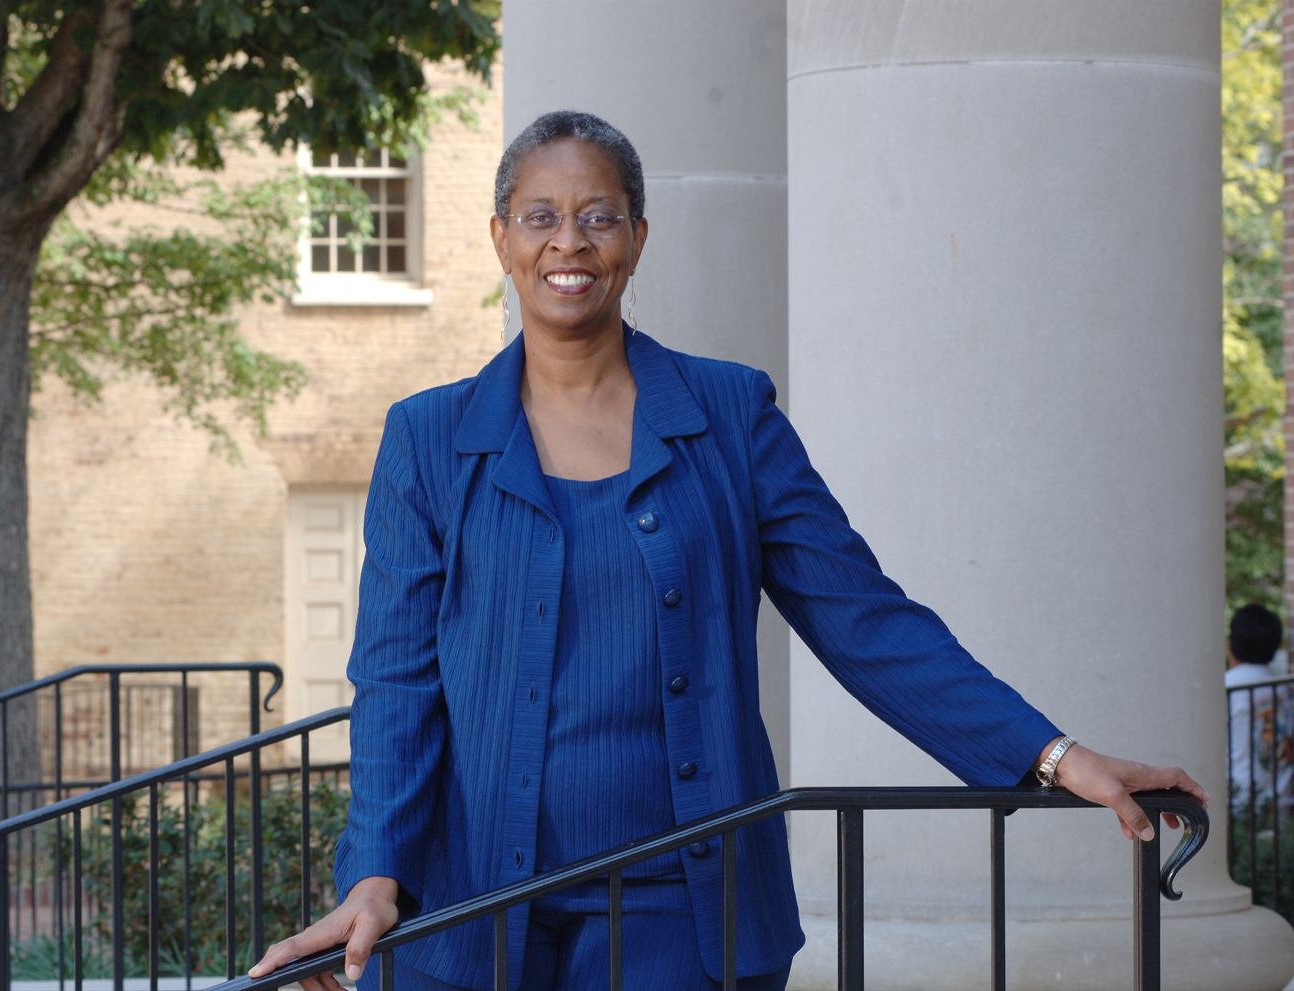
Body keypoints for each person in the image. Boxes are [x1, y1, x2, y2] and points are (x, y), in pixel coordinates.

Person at [249, 111, 1209, 991]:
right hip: (471, 904)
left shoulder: (728, 413)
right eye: (539, 215)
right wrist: (375, 874)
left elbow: (861, 617)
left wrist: (1050, 754)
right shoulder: (427, 437)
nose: (568, 242)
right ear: (501, 237)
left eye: (600, 216)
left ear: (637, 239)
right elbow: (396, 684)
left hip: (684, 897)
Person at [1225, 604, 1294, 810]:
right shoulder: (1284, 688)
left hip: (1237, 804)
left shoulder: (1226, 687)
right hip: (1281, 804)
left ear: (1231, 645)